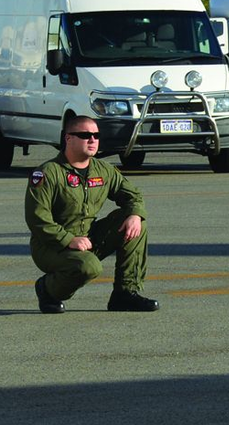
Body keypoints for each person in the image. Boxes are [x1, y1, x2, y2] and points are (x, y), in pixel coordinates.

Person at [25, 119, 158, 312]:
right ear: (68, 138)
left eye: (96, 136)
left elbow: (133, 196)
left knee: (135, 224)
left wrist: (135, 214)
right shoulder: (48, 173)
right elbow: (37, 219)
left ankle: (125, 294)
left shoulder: (103, 170)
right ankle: (47, 289)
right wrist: (68, 239)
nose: (92, 140)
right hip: (51, 246)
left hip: (87, 238)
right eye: (85, 135)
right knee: (89, 267)